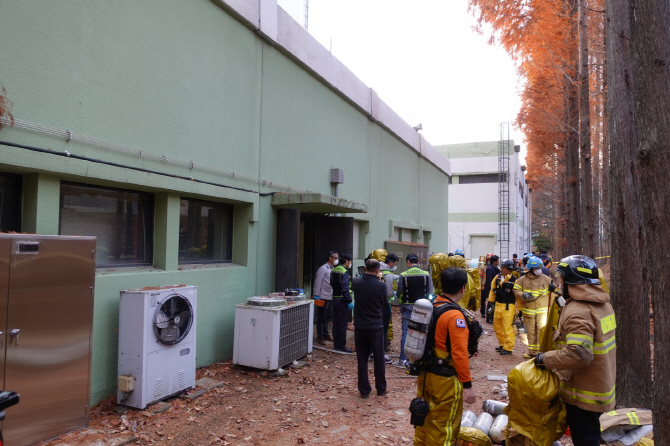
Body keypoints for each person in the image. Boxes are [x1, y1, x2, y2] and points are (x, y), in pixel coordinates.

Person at [535, 255, 616, 446]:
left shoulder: (579, 311)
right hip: (600, 385)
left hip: (582, 391)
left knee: (585, 439)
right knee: (590, 435)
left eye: (561, 279)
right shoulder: (604, 305)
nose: (559, 284)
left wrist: (544, 359)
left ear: (570, 281)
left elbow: (578, 354)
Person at [414, 267, 476, 446]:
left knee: (423, 421)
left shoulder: (431, 305)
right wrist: (467, 385)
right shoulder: (454, 316)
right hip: (445, 381)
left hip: (425, 375)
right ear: (463, 288)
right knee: (444, 427)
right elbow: (459, 353)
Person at [351, 259, 388, 398]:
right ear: (378, 270)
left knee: (362, 358)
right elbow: (384, 303)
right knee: (379, 358)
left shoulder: (356, 282)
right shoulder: (381, 286)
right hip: (375, 326)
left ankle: (364, 390)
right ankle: (381, 388)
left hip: (360, 326)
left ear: (365, 268)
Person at [394, 253, 433, 368]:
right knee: (423, 332)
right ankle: (421, 359)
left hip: (408, 308)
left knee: (406, 332)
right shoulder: (426, 274)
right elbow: (430, 292)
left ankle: (403, 360)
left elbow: (399, 292)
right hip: (423, 309)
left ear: (408, 262)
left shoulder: (403, 275)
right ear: (418, 263)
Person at [513, 256, 551, 358]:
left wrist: (554, 289)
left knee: (541, 332)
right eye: (536, 268)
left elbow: (556, 292)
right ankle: (532, 353)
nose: (539, 271)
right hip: (529, 311)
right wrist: (523, 295)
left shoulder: (546, 279)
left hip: (542, 312)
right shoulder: (522, 280)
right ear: (530, 269)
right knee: (531, 332)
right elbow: (516, 291)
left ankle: (541, 353)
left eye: (540, 268)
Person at [488, 259, 517, 355]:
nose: (501, 270)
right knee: (497, 327)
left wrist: (520, 310)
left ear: (509, 269)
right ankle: (502, 344)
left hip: (508, 307)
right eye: (501, 268)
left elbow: (518, 295)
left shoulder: (514, 280)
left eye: (503, 268)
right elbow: (493, 290)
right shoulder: (497, 278)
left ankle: (508, 348)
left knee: (508, 328)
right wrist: (490, 302)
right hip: (498, 305)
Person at [330, 253, 353, 353]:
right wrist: (349, 300)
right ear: (347, 261)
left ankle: (336, 344)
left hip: (334, 298)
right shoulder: (344, 272)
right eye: (350, 261)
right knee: (343, 324)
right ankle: (341, 346)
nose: (350, 263)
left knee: (336, 323)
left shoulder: (334, 270)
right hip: (342, 300)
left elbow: (331, 283)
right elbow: (345, 287)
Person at [313, 251, 338, 345]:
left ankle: (326, 333)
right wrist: (316, 294)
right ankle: (320, 336)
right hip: (322, 296)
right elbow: (318, 282)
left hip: (330, 295)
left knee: (327, 317)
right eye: (335, 258)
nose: (336, 260)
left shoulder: (333, 269)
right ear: (330, 258)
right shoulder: (323, 268)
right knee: (321, 317)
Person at [380, 253, 399, 358]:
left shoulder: (377, 268)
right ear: (390, 262)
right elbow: (389, 292)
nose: (395, 266)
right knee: (384, 328)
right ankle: (381, 349)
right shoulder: (387, 274)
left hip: (373, 303)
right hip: (384, 303)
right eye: (395, 264)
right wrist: (393, 295)